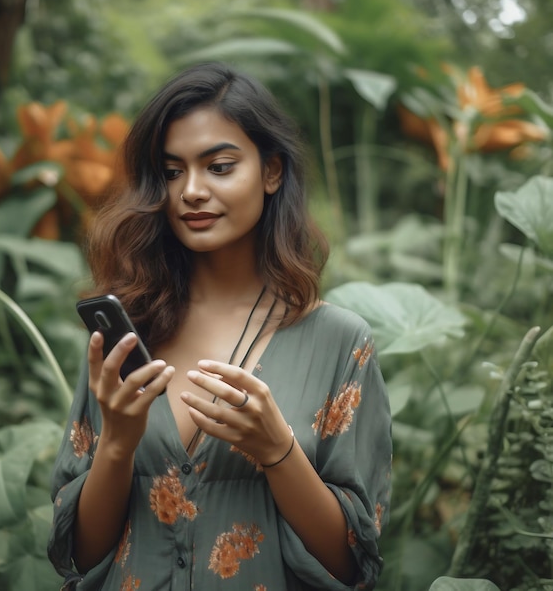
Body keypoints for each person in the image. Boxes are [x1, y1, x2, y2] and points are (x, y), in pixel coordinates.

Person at [48, 61, 392, 591]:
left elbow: (353, 564)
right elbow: (81, 553)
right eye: (171, 171)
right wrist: (116, 444)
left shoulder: (340, 342)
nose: (191, 191)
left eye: (219, 166)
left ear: (271, 172)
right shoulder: (126, 334)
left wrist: (278, 451)